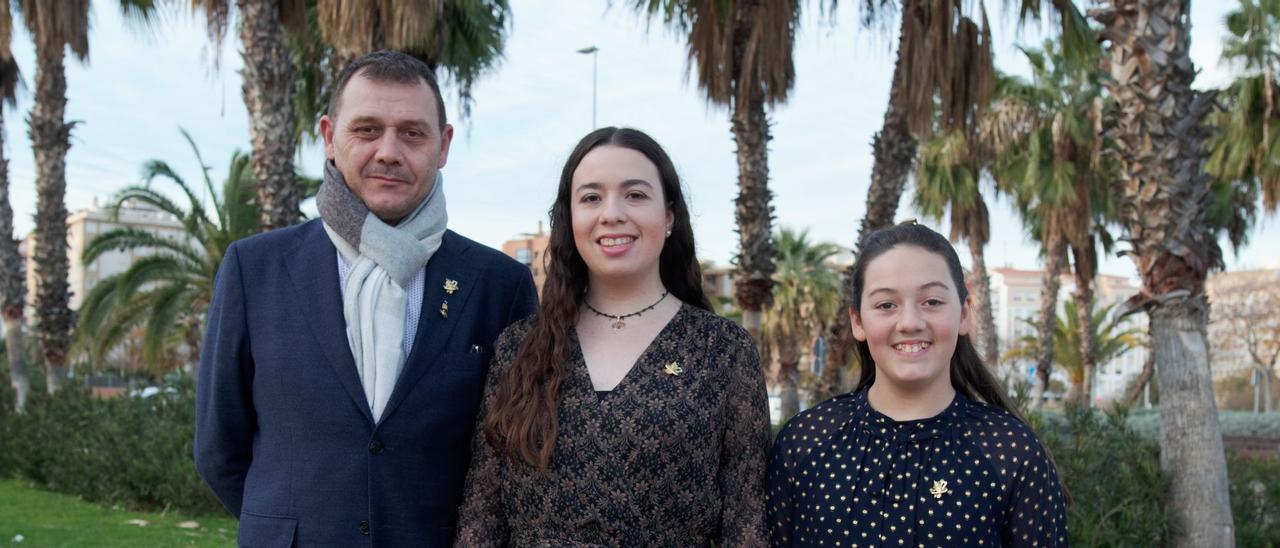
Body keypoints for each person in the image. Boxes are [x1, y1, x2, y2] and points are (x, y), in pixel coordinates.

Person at [194, 50, 537, 547]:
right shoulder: (255, 269)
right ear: (330, 137)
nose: (389, 151)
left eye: (412, 133)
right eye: (367, 129)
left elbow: (514, 457)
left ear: (443, 146)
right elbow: (218, 449)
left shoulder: (498, 285)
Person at [455, 127, 770, 546]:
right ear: (569, 218)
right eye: (591, 197)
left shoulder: (722, 350)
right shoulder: (518, 348)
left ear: (670, 215)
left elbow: (746, 522)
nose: (611, 213)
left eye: (635, 195)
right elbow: (482, 516)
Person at [766, 222, 1068, 547]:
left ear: (965, 313)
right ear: (858, 321)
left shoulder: (1011, 452)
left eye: (932, 302)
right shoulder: (805, 442)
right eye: (886, 305)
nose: (910, 322)